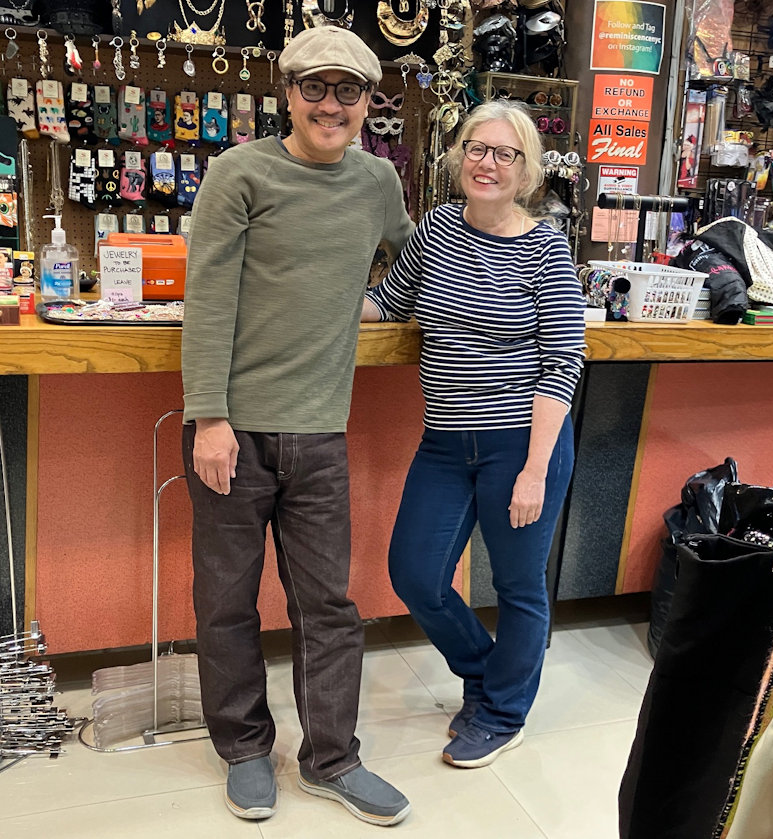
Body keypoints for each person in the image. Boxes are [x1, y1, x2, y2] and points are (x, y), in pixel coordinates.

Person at [181, 26, 414, 826]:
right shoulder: (238, 171)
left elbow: (415, 257)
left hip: (320, 431)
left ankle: (332, 757)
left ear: (368, 103)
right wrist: (209, 417)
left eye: (348, 91)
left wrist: (378, 302)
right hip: (234, 431)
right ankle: (245, 748)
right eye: (315, 87)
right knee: (226, 602)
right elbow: (208, 298)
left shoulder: (378, 180)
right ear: (287, 93)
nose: (330, 105)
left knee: (327, 606)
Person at [362, 99, 585, 768]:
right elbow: (388, 302)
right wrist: (314, 302)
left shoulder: (546, 247)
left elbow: (562, 361)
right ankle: (484, 670)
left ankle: (503, 712)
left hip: (521, 443)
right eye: (477, 149)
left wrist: (534, 470)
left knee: (518, 586)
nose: (487, 163)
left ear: (527, 170)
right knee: (416, 574)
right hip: (444, 443)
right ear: (459, 156)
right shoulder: (435, 229)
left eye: (504, 153)